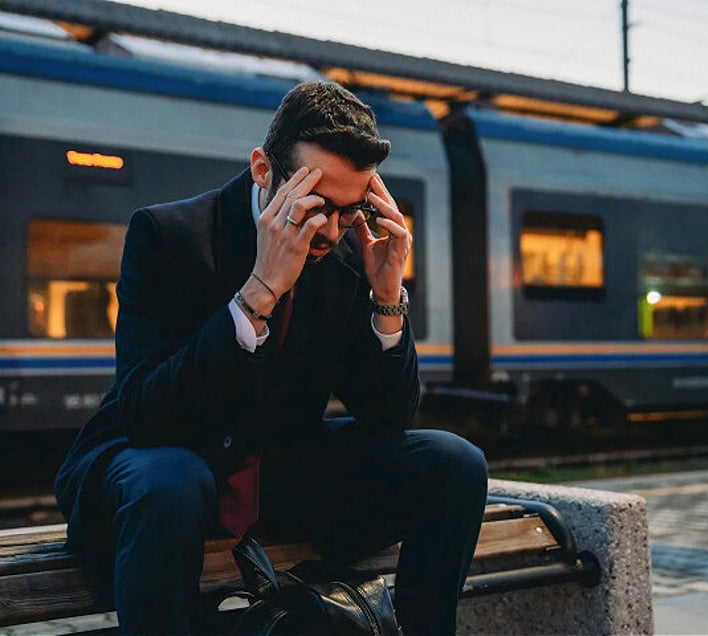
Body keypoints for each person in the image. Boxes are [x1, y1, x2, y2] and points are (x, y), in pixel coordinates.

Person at [55, 80, 488, 635]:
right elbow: (146, 414)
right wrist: (258, 293)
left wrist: (386, 300)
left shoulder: (349, 251)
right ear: (264, 170)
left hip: (277, 474)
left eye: (351, 211)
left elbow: (388, 419)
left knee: (454, 462)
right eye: (317, 206)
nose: (331, 230)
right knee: (172, 481)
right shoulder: (170, 235)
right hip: (154, 467)